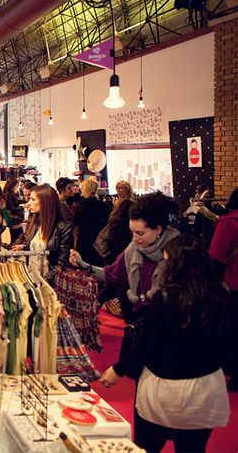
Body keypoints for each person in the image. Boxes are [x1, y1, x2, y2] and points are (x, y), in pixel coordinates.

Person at [99, 236, 230, 452]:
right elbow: (228, 342)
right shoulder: (220, 296)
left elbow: (147, 345)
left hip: (164, 388)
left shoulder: (166, 297)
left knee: (146, 445)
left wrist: (118, 370)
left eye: (167, 261)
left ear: (176, 265)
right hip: (206, 387)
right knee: (192, 448)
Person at [71, 192, 180, 360]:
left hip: (172, 327)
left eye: (140, 233)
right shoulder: (133, 250)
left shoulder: (180, 250)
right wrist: (83, 265)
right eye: (133, 232)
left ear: (158, 229)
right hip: (142, 324)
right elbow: (110, 274)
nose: (135, 239)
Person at [12, 185, 73, 281]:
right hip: (31, 277)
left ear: (45, 202)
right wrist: (20, 246)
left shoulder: (63, 228)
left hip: (49, 284)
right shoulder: (34, 222)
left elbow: (61, 264)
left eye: (33, 199)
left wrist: (44, 281)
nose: (28, 203)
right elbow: (29, 241)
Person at [209, 188, 238, 388]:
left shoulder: (229, 224)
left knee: (230, 331)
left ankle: (231, 374)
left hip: (231, 286)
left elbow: (215, 256)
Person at [72, 179, 110, 267]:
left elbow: (74, 223)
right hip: (98, 241)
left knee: (83, 266)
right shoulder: (103, 205)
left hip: (83, 240)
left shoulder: (81, 205)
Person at [97, 181, 136, 265]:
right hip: (115, 236)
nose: (118, 190)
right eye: (117, 188)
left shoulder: (129, 204)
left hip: (123, 236)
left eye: (121, 188)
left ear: (127, 189)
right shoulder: (117, 203)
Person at [2, 178, 25, 244]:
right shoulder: (8, 195)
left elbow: (16, 201)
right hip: (14, 219)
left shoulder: (9, 194)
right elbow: (12, 209)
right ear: (12, 186)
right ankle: (13, 251)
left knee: (16, 236)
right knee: (16, 237)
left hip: (13, 220)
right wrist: (22, 207)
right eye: (16, 185)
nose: (17, 187)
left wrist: (25, 201)